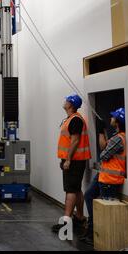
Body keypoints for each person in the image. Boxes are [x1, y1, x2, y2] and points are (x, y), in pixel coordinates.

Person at [80, 108, 127, 245]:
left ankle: (96, 236)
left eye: (113, 117)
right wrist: (103, 131)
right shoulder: (116, 136)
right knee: (88, 195)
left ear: (118, 121)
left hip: (110, 180)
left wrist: (101, 132)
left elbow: (103, 154)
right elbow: (105, 147)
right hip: (103, 176)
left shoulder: (119, 138)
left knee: (105, 209)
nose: (110, 118)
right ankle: (91, 231)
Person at [52, 94, 91, 234]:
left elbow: (75, 141)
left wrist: (68, 159)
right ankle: (79, 217)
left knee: (70, 190)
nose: (65, 101)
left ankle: (66, 222)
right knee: (76, 189)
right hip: (74, 160)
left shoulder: (75, 120)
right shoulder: (71, 119)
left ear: (71, 104)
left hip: (74, 160)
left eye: (67, 100)